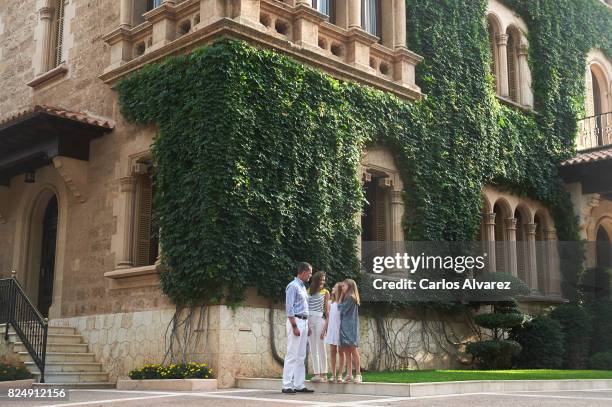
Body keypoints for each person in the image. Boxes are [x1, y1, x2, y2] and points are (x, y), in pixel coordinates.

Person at [282, 262, 315, 394]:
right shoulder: (293, 286)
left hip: (304, 322)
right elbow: (289, 308)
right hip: (295, 321)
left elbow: (305, 308)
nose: (311, 275)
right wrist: (294, 326)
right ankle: (286, 385)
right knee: (292, 354)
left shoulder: (302, 287)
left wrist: (308, 325)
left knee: (301, 355)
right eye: (310, 273)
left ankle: (299, 385)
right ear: (303, 272)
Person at [307, 271, 330, 382]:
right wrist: (307, 325)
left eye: (324, 279)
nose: (323, 282)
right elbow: (306, 309)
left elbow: (327, 312)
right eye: (321, 279)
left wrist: (325, 328)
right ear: (316, 280)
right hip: (309, 321)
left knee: (321, 347)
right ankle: (316, 374)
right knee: (313, 348)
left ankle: (324, 373)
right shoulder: (308, 292)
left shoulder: (326, 292)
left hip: (320, 320)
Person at [339, 278, 362, 383]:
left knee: (353, 349)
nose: (342, 287)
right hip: (344, 326)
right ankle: (349, 374)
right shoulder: (347, 297)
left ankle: (358, 374)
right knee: (347, 350)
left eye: (344, 286)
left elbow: (341, 309)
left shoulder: (351, 298)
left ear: (349, 286)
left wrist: (340, 298)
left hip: (350, 327)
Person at [323, 282, 344, 383]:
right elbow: (327, 317)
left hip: (340, 330)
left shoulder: (342, 303)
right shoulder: (330, 303)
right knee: (332, 351)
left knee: (341, 352)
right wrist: (324, 329)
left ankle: (340, 375)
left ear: (339, 290)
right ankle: (333, 374)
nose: (332, 288)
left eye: (335, 287)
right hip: (331, 330)